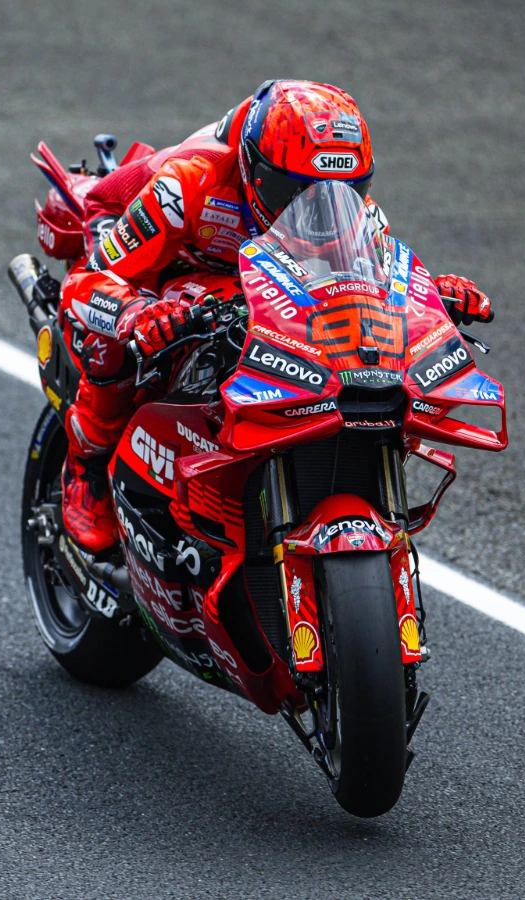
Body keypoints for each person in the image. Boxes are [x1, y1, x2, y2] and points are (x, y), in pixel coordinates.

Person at [56, 79, 494, 553]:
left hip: (251, 275)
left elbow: (379, 287)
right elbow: (86, 283)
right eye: (294, 191)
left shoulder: (353, 210)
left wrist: (434, 296)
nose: (318, 210)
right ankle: (85, 468)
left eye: (343, 192)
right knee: (111, 339)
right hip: (154, 254)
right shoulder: (188, 184)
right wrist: (134, 312)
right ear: (253, 167)